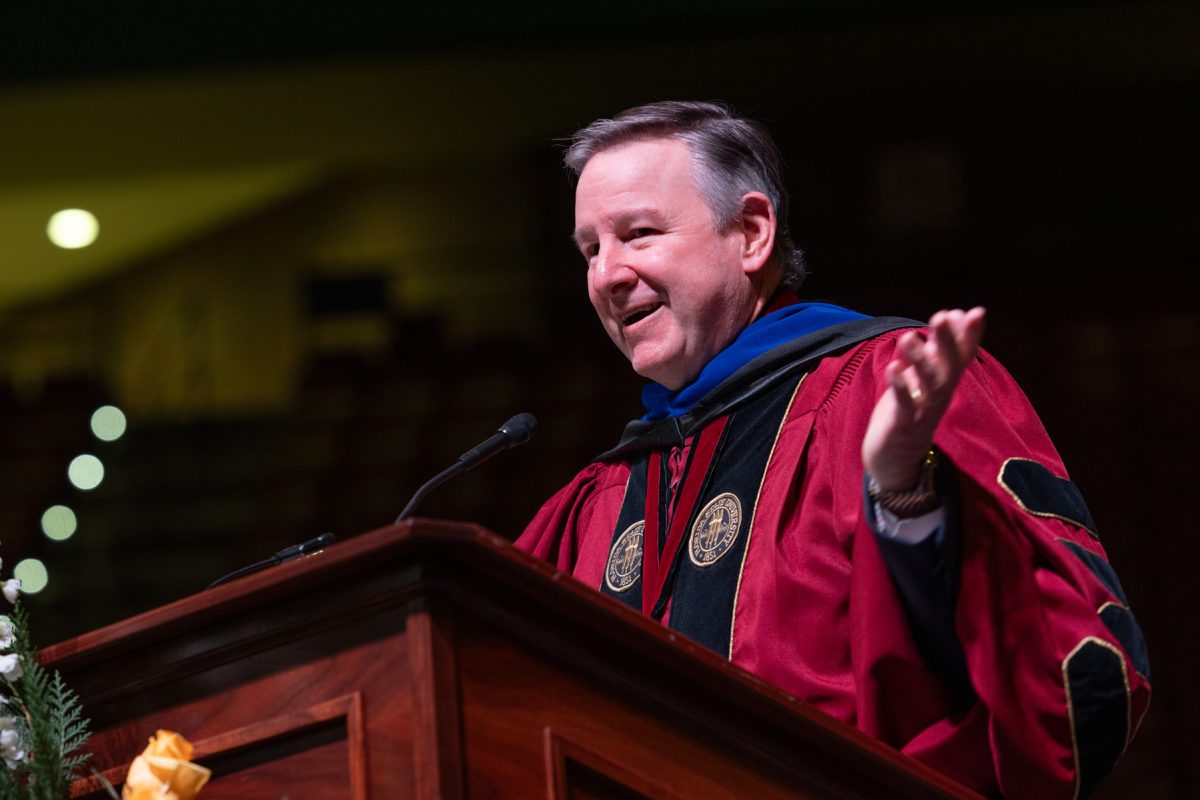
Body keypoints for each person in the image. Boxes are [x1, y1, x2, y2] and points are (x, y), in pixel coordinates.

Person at [515, 101, 1149, 798]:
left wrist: (908, 499)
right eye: (590, 249)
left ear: (752, 233)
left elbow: (1066, 670)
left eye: (638, 234)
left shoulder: (894, 389)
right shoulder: (592, 504)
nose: (606, 274)